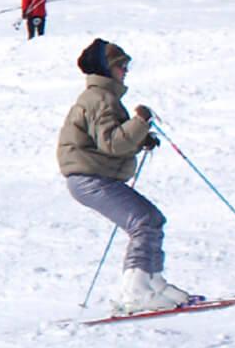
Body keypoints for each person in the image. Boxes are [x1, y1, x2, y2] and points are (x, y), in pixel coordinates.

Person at [60, 38, 196, 314]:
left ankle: (152, 282)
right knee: (144, 221)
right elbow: (112, 143)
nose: (126, 70)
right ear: (106, 68)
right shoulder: (100, 98)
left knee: (152, 219)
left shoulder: (101, 97)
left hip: (92, 175)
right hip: (90, 177)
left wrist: (139, 139)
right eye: (121, 65)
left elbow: (110, 141)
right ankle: (136, 290)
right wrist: (140, 122)